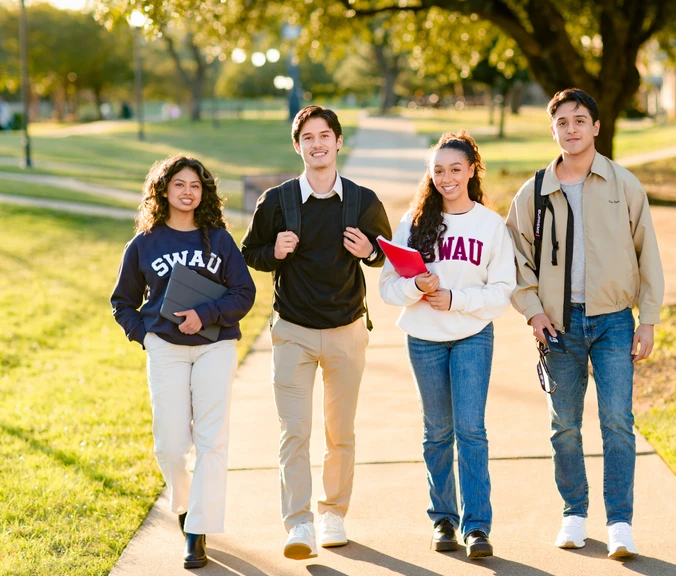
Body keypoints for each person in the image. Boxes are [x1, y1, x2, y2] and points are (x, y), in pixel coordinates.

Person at [505, 88, 664, 558]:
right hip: (559, 326)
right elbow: (517, 259)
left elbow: (648, 255)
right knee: (565, 426)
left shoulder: (623, 184)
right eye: (562, 122)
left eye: (580, 120)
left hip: (615, 321)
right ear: (552, 129)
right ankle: (574, 514)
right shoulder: (534, 191)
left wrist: (648, 320)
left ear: (596, 126)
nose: (571, 129)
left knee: (618, 422)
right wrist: (533, 310)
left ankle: (619, 523)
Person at [240, 105, 391, 560]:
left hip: (346, 330)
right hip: (293, 332)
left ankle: (333, 514)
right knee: (295, 431)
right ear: (298, 145)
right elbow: (252, 252)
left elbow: (385, 256)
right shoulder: (278, 200)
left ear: (338, 142)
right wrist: (276, 251)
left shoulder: (363, 200)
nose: (318, 143)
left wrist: (369, 251)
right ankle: (299, 523)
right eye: (308, 137)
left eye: (325, 135)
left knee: (339, 432)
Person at [110, 154, 256, 570]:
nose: (188, 192)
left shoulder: (220, 240)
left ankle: (197, 531)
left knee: (212, 439)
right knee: (172, 444)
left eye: (195, 185)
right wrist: (148, 335)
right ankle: (186, 507)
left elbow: (243, 294)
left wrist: (205, 315)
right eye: (179, 185)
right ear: (164, 190)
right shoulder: (144, 244)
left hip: (216, 346)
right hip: (166, 351)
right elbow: (122, 303)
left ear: (204, 191)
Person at [380, 131, 516, 559]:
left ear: (472, 169)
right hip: (424, 339)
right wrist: (415, 287)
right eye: (438, 170)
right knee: (437, 432)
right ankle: (443, 519)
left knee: (471, 430)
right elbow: (388, 286)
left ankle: (477, 527)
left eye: (455, 169)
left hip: (473, 336)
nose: (446, 177)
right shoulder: (414, 222)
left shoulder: (490, 225)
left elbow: (502, 291)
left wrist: (456, 299)